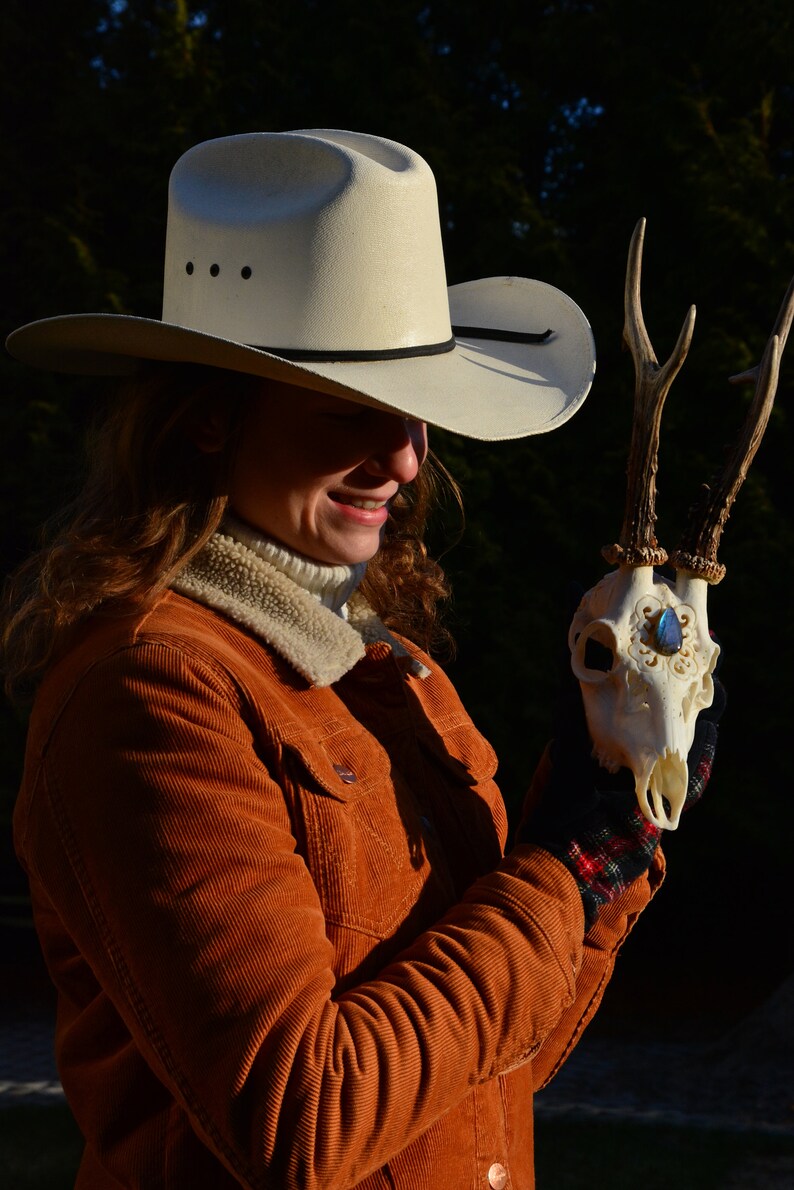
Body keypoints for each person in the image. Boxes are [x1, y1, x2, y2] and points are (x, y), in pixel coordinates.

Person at [3, 130, 716, 1190]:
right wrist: (559, 874)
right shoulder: (150, 690)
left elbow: (495, 1063)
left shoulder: (394, 675)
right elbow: (302, 1118)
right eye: (349, 407)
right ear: (206, 418)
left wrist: (613, 834)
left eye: (416, 406)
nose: (403, 458)